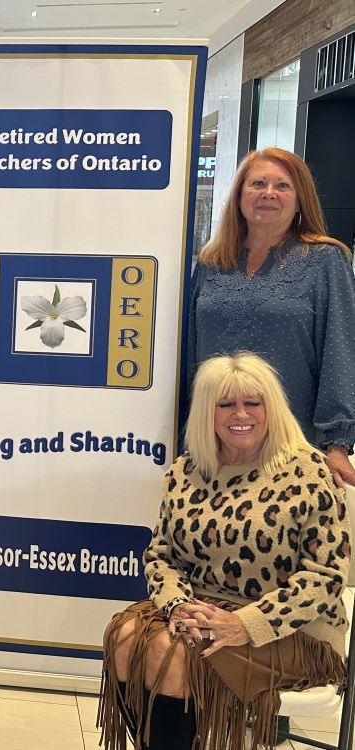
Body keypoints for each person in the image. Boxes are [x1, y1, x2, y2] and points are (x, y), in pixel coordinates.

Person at [98, 352, 349, 750]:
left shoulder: (309, 471)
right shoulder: (185, 471)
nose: (240, 414)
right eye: (226, 404)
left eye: (253, 402)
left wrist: (246, 624)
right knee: (127, 637)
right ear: (207, 412)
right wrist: (178, 605)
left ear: (272, 407)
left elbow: (326, 579)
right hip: (202, 608)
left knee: (170, 652)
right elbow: (162, 556)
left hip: (294, 629)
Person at [188, 147, 355, 489]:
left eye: (282, 186)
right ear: (238, 196)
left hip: (291, 446)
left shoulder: (325, 261)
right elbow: (190, 352)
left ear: (299, 200)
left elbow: (341, 353)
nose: (268, 193)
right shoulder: (211, 263)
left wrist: (337, 443)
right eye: (257, 183)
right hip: (214, 446)